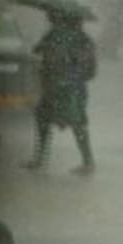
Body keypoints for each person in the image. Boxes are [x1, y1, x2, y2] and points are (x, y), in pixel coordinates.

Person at [24, 10, 97, 174]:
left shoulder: (54, 35)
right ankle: (88, 161)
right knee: (78, 123)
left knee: (43, 117)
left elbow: (37, 50)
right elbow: (91, 71)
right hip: (76, 88)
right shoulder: (85, 39)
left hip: (55, 86)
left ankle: (40, 158)